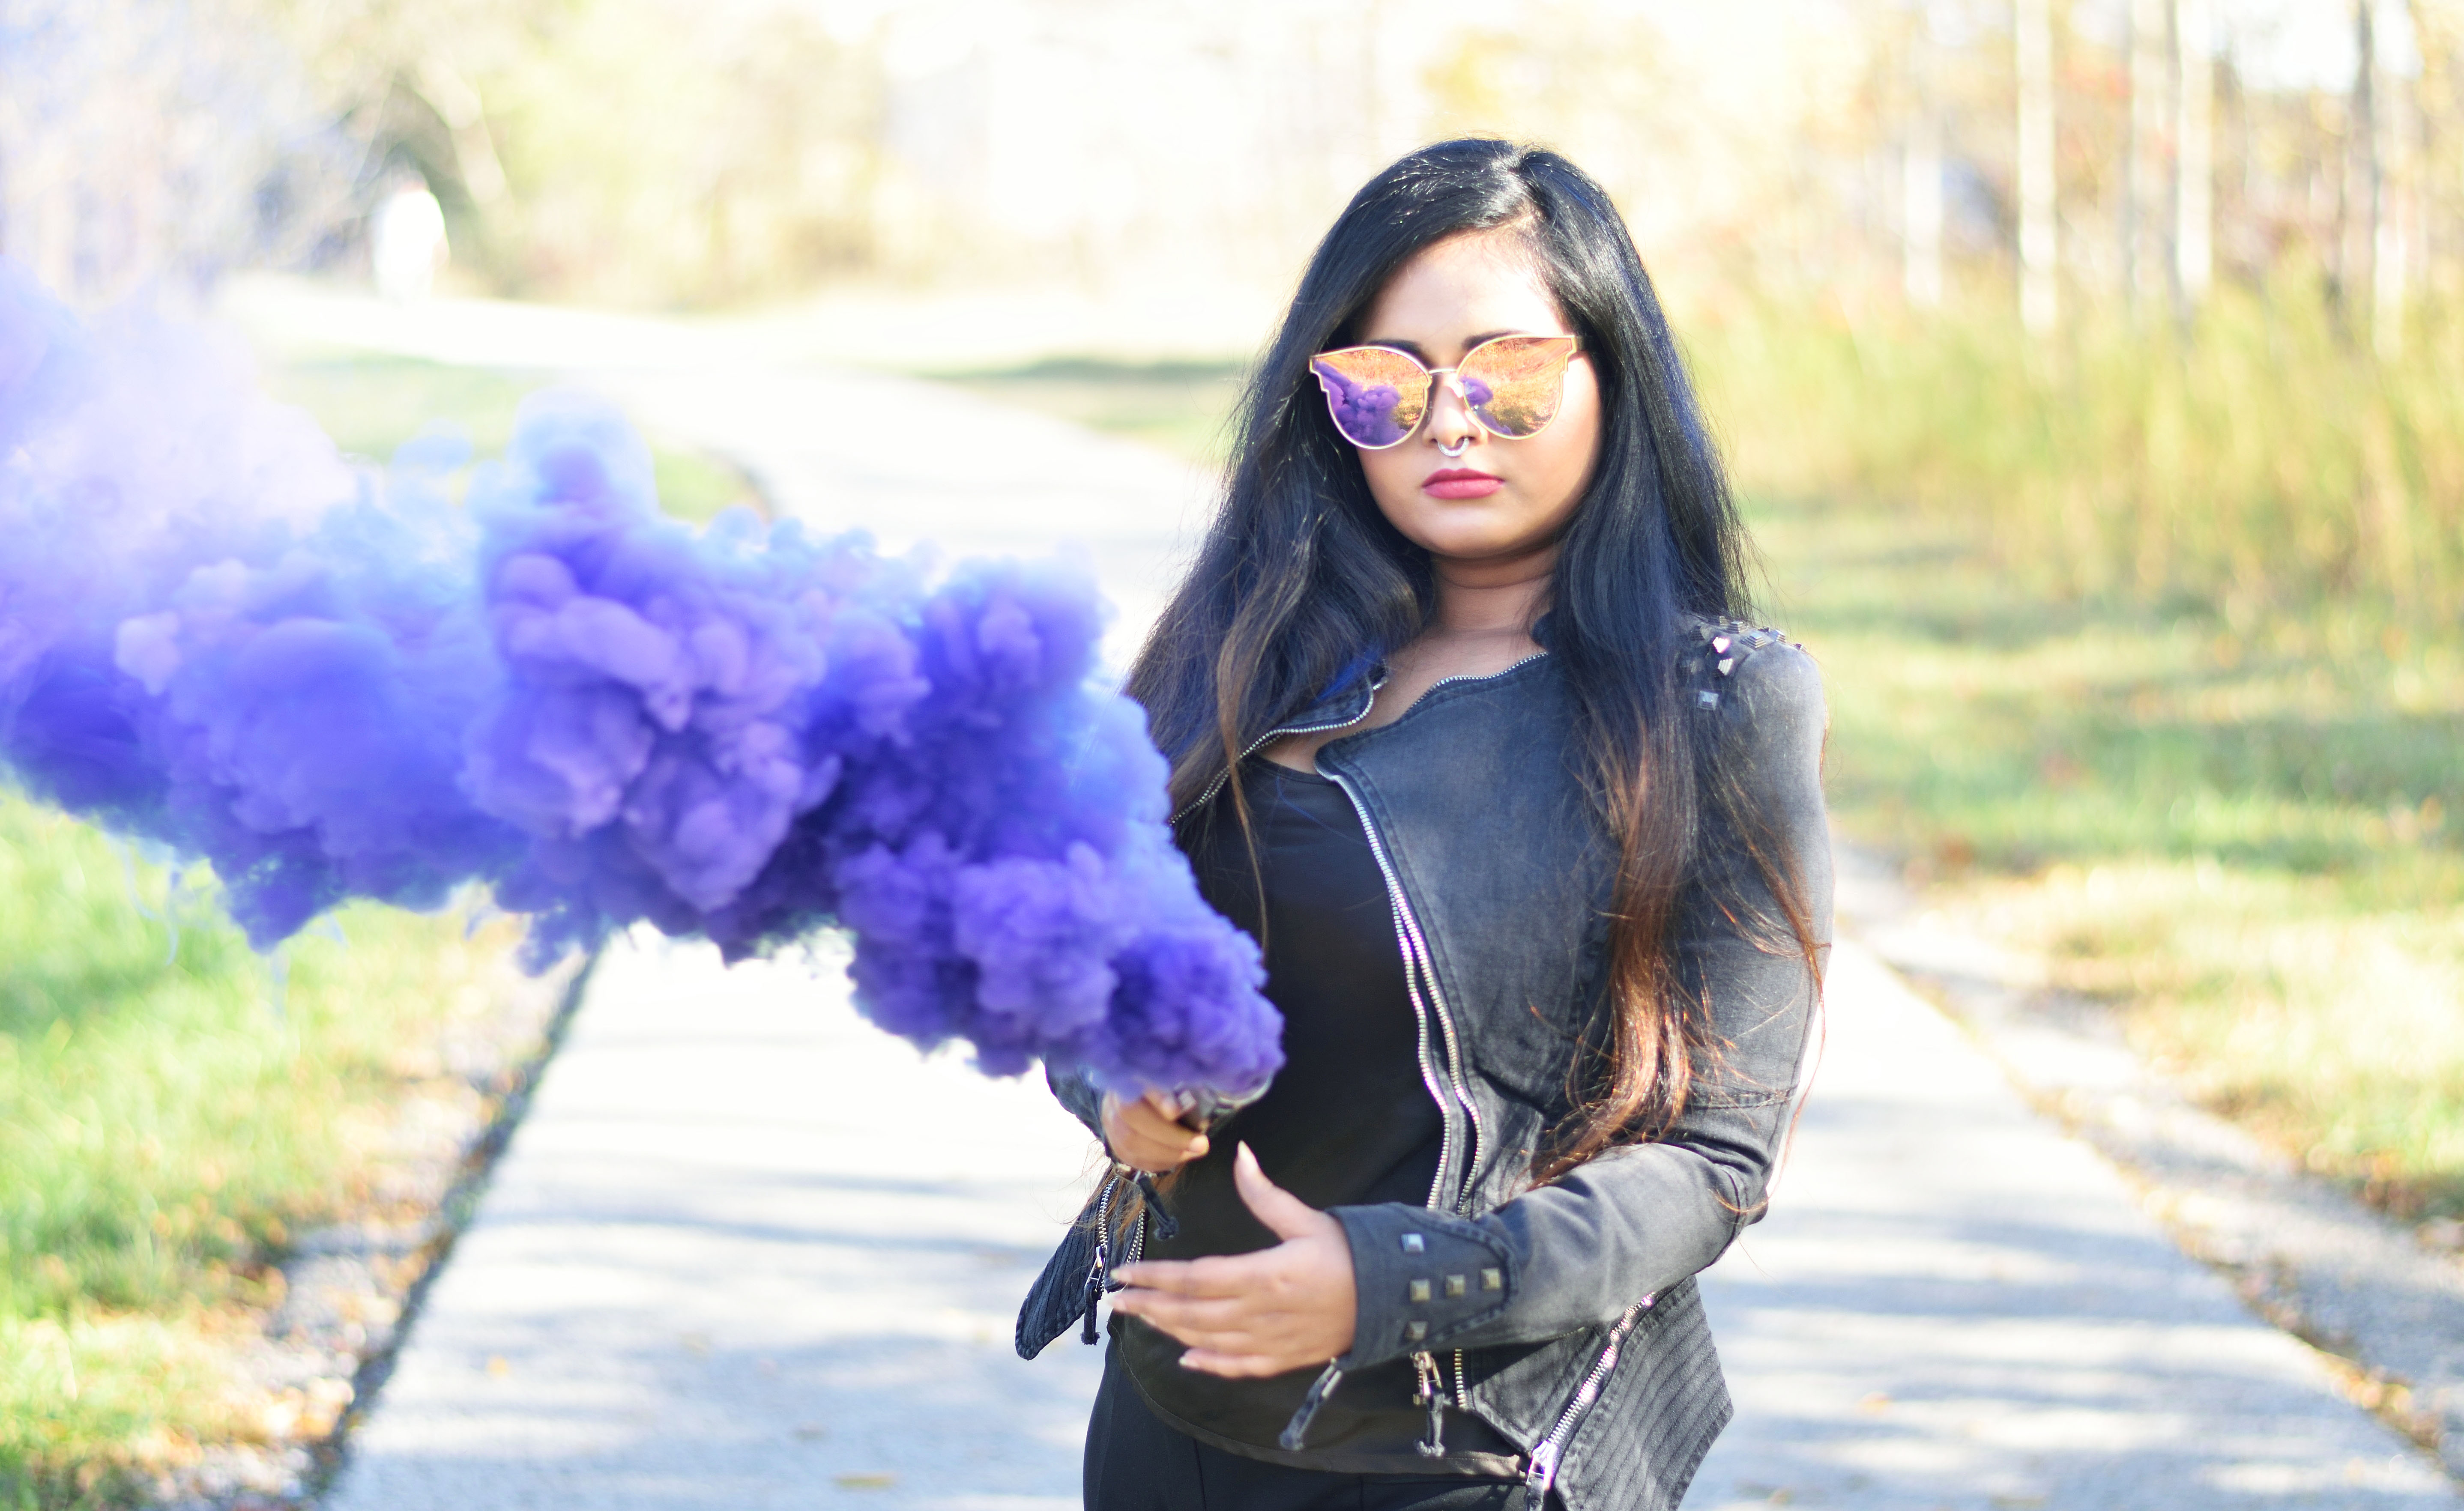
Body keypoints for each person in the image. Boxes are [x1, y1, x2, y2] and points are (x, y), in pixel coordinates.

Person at [1022, 138, 1830, 1511]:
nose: (1448, 422)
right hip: (1168, 1426)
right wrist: (1110, 1086)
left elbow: (1715, 1163)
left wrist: (1387, 1287)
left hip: (1467, 1453)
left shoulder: (1713, 706)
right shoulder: (1239, 650)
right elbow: (1082, 954)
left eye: (1507, 374)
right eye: (1381, 383)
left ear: (1610, 375)